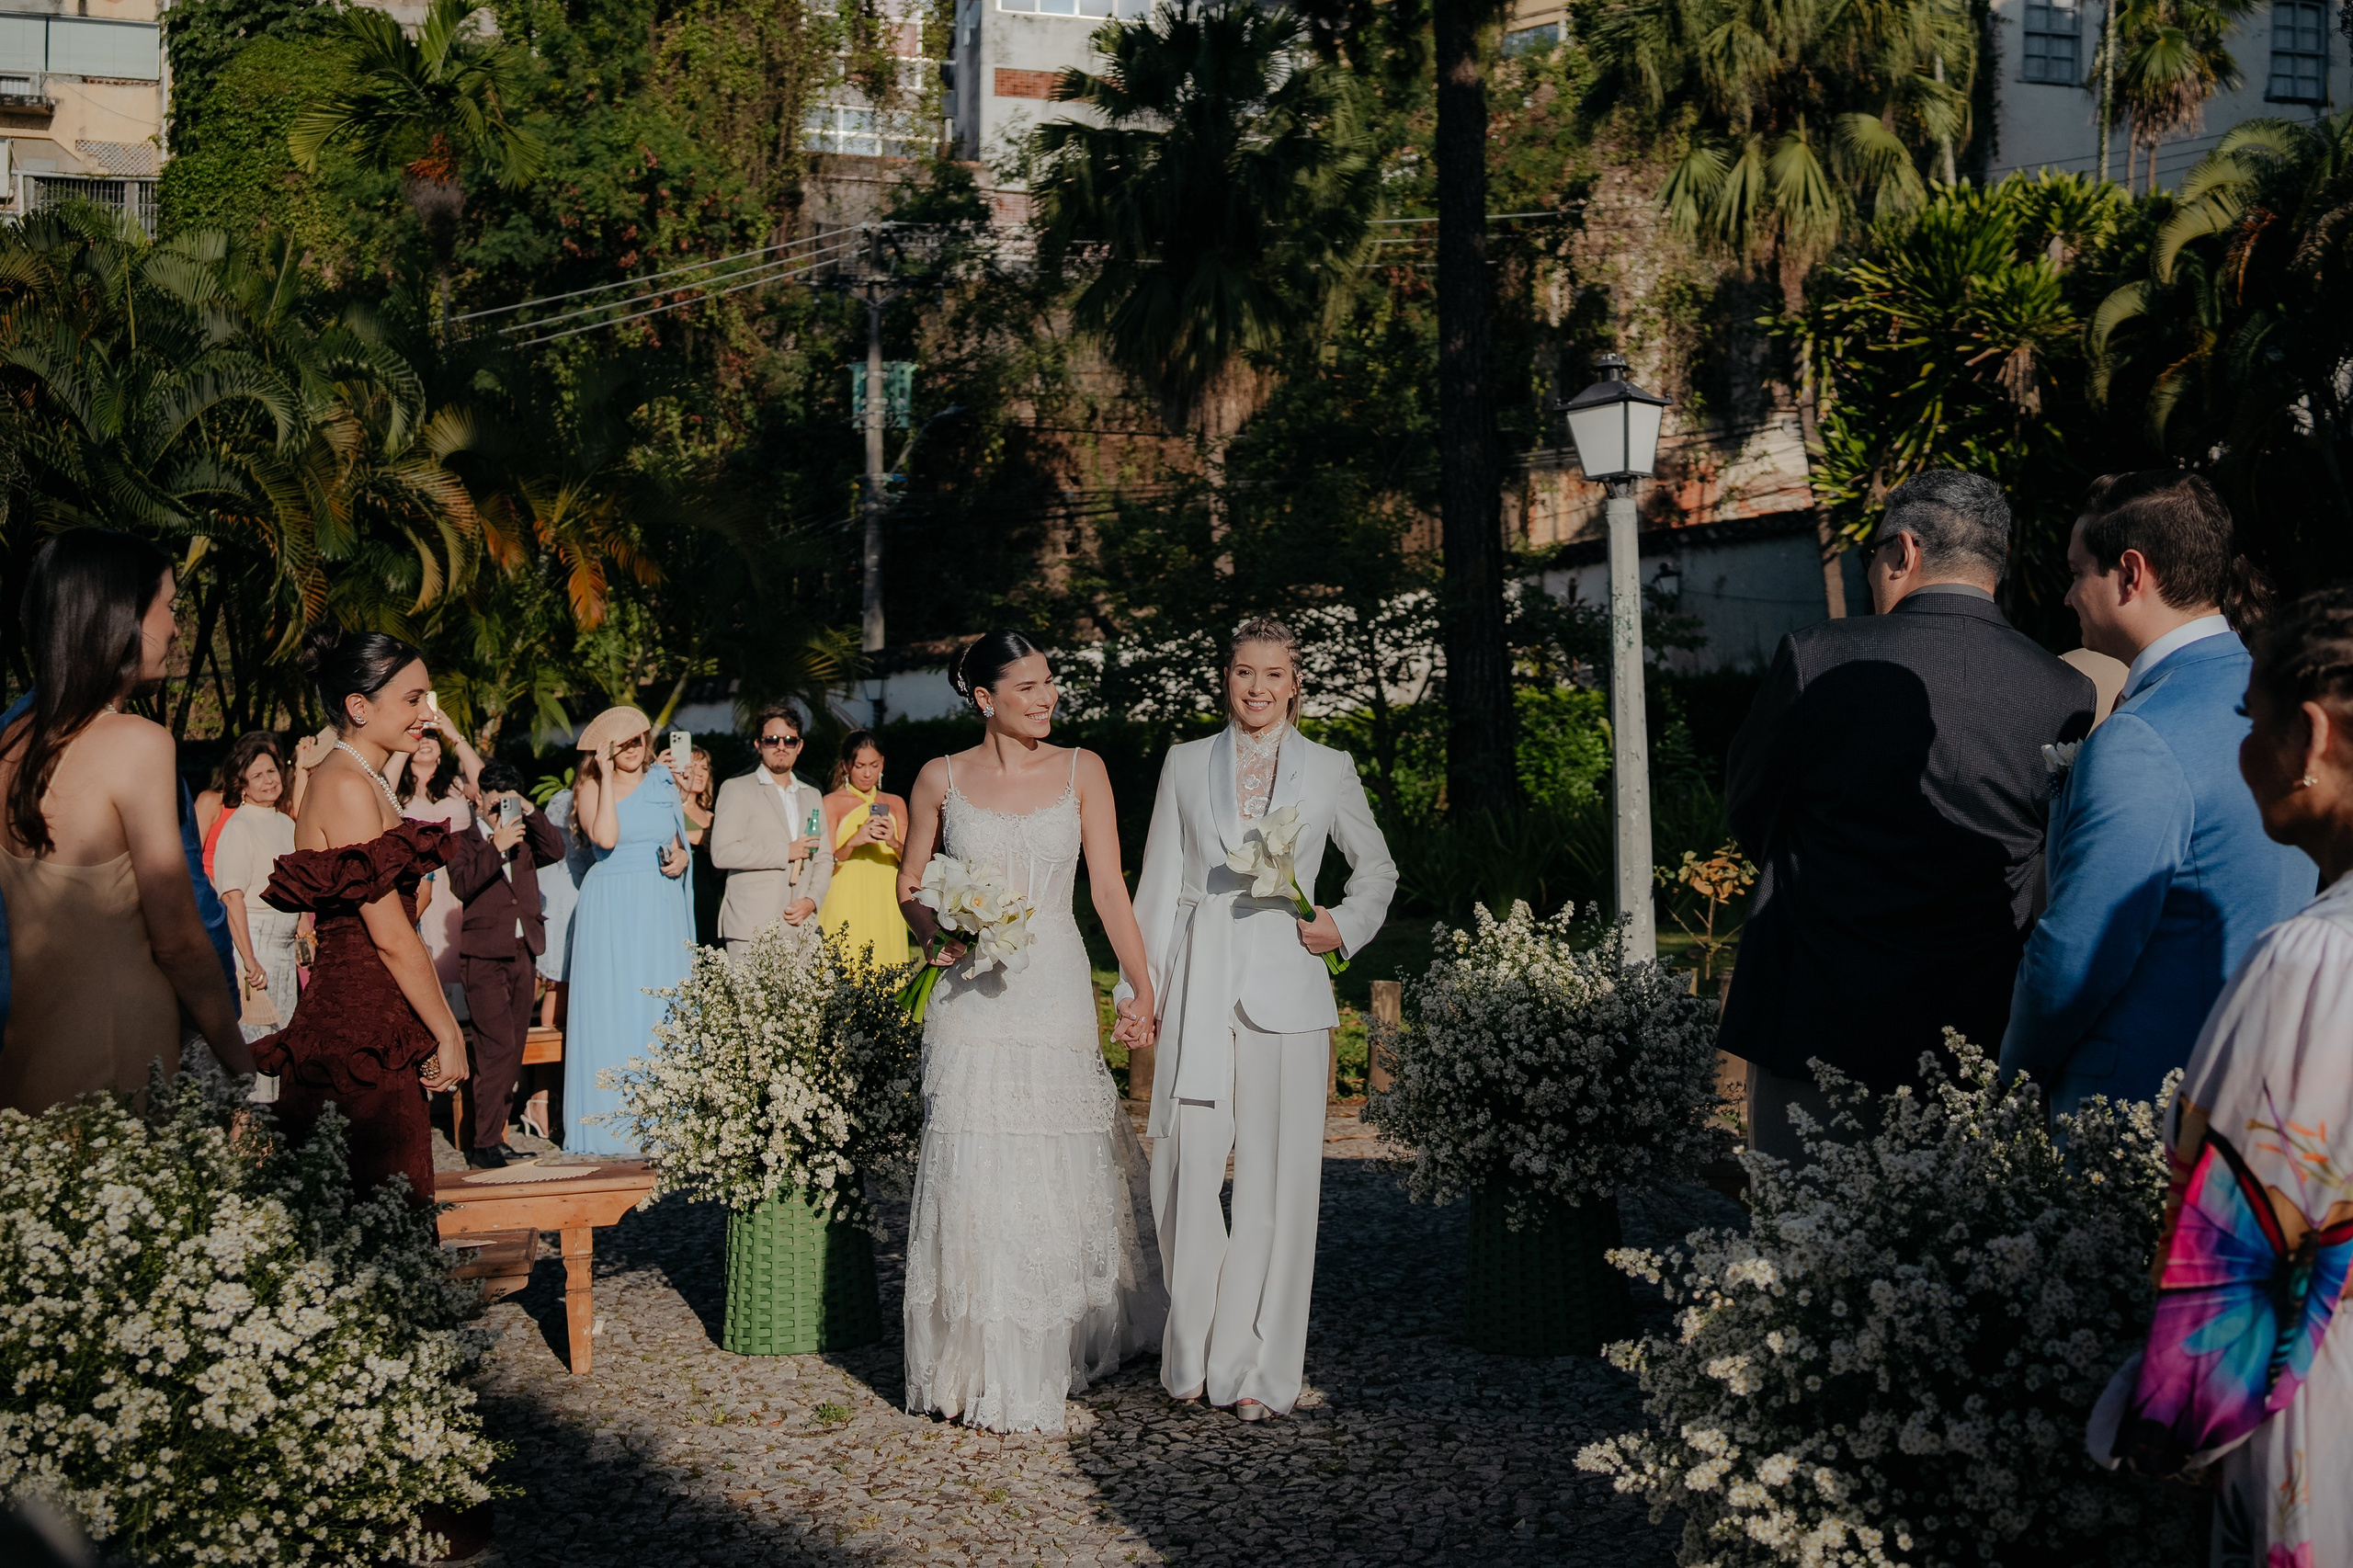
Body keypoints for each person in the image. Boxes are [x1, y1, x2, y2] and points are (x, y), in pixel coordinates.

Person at [2086, 585, 2353, 1564]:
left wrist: (2163, 1429)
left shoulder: (2313, 963)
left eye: (2253, 722)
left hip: (2326, 1419)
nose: (2245, 754)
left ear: (2311, 735)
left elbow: (2227, 1277)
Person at [1722, 470, 2097, 1160]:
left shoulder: (1818, 656)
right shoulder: (2065, 690)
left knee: (1803, 1243)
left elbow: (1750, 805)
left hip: (1817, 1011)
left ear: (1903, 551)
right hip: (1976, 1025)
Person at [1123, 617, 1398, 1419]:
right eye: (1244, 671)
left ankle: (1258, 1373)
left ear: (1295, 683)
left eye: (1273, 674)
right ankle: (1196, 1350)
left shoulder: (1328, 769)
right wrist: (1140, 994)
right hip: (1198, 988)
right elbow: (1159, 888)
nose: (1257, 687)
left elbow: (1376, 867)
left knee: (1279, 1190)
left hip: (1289, 996)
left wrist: (1343, 925)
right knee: (1182, 1175)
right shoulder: (1182, 764)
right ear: (1226, 678)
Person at [896, 630, 1166, 1433]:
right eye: (1028, 688)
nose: (1047, 699)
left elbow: (1110, 888)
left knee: (1052, 1166)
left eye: (1051, 684)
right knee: (974, 1166)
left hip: (1051, 984)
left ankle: (1044, 1351)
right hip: (969, 999)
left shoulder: (1085, 770)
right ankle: (972, 1361)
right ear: (985, 699)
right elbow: (912, 884)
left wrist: (1140, 983)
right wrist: (932, 932)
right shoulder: (938, 778)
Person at [2000, 474, 2313, 1113]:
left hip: (2143, 1106)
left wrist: (2008, 1084)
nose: (2066, 596)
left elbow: (2073, 958)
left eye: (2077, 571)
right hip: (2277, 1086)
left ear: (2130, 574)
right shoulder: (2284, 700)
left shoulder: (2142, 735)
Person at [0, 530, 251, 1112]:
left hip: (28, 1058)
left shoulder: (11, 743)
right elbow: (180, 941)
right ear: (121, 617)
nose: (178, 627)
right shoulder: (137, 744)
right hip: (119, 1052)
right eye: (169, 607)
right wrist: (240, 1060)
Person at [254, 625, 469, 1200]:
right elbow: (391, 936)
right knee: (376, 1206)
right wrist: (448, 1032)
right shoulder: (347, 784)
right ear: (359, 706)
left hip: (370, 1016)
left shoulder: (364, 779)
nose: (427, 713)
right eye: (413, 699)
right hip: (358, 1030)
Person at [562, 706, 694, 1156]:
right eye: (622, 743)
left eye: (638, 740)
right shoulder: (590, 786)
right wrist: (600, 772)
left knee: (661, 1002)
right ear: (607, 747)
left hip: (658, 901)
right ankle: (611, 1125)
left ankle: (667, 1123)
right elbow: (606, 839)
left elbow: (679, 841)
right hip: (611, 902)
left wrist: (682, 859)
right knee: (612, 1005)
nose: (632, 749)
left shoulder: (662, 781)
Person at [441, 759, 566, 1169]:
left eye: (506, 805)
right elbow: (461, 885)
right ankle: (483, 1143)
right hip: (483, 958)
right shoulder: (463, 841)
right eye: (495, 806)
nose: (501, 814)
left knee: (512, 1053)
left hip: (522, 951)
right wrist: (495, 845)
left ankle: (495, 1136)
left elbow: (557, 849)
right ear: (480, 804)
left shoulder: (526, 836)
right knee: (496, 1049)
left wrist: (528, 809)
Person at [710, 701, 832, 960]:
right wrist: (784, 852)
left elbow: (823, 857)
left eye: (789, 740)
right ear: (758, 744)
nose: (780, 746)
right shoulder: (736, 789)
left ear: (799, 746)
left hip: (801, 926)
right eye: (772, 740)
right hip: (749, 926)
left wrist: (812, 900)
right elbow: (722, 853)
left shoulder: (812, 794)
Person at [210, 733, 305, 1062]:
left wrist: (302, 937)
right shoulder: (238, 827)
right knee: (258, 1049)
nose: (268, 781)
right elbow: (232, 897)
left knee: (284, 1044)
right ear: (243, 785)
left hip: (283, 947)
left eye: (271, 771)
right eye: (257, 776)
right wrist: (250, 962)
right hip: (254, 948)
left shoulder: (284, 823)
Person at [390, 713, 480, 990]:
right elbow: (382, 790)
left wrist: (454, 734)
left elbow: (484, 784)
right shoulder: (398, 792)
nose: (426, 741)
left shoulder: (455, 785)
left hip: (463, 877)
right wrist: (406, 744)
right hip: (420, 883)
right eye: (421, 736)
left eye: (432, 738)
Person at [819, 729, 910, 967]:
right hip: (843, 898)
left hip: (885, 901)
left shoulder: (896, 803)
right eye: (860, 766)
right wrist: (853, 841)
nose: (868, 773)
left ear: (882, 764)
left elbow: (913, 863)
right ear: (846, 766)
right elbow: (823, 866)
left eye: (874, 765)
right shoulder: (831, 803)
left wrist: (892, 842)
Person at [681, 744, 723, 946]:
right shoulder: (668, 808)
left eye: (704, 768)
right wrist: (690, 835)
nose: (699, 773)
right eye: (693, 766)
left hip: (708, 898)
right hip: (681, 897)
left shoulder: (713, 817)